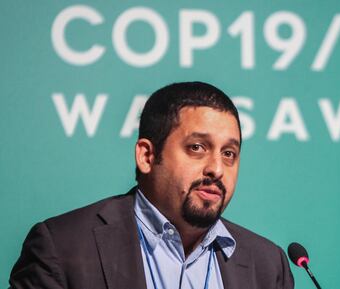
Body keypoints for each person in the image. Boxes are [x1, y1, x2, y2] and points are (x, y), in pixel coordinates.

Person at [9, 82, 294, 289]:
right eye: (197, 147)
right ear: (147, 155)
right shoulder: (63, 247)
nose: (217, 169)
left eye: (229, 153)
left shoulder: (268, 265)